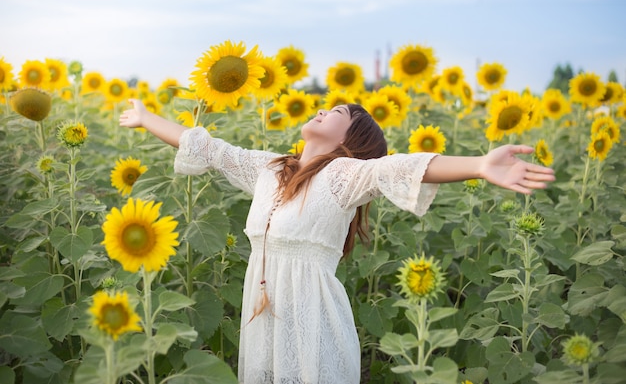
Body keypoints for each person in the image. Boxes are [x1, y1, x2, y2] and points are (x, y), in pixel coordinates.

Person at [120, 99, 555, 384]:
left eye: (338, 113)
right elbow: (209, 148)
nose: (324, 110)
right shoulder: (270, 170)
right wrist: (145, 117)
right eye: (327, 107)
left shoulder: (343, 176)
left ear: (350, 142)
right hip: (263, 317)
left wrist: (480, 164)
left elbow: (397, 168)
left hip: (314, 320)